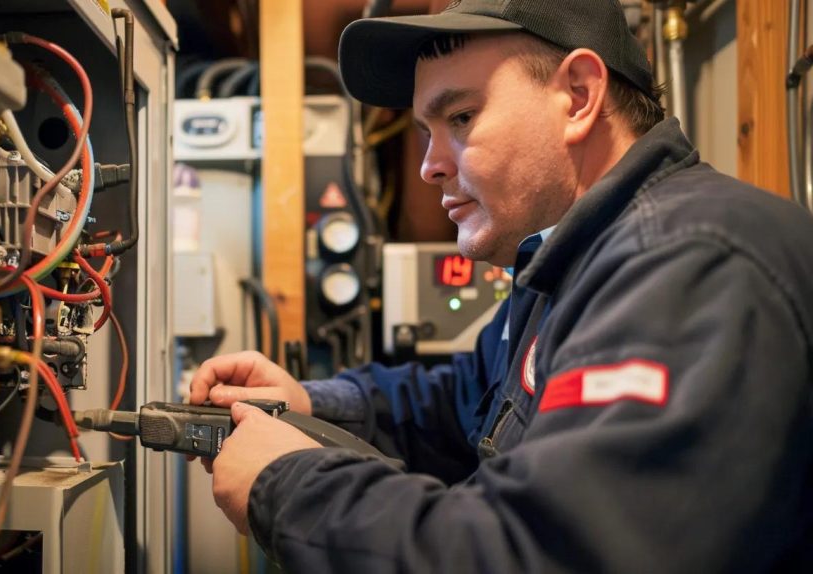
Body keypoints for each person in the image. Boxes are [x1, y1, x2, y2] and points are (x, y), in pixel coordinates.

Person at [189, 0, 813, 571]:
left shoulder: (688, 267)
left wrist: (287, 484)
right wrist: (310, 404)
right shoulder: (567, 263)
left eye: (461, 117)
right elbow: (462, 401)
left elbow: (538, 552)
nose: (430, 165)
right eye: (426, 132)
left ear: (578, 95)